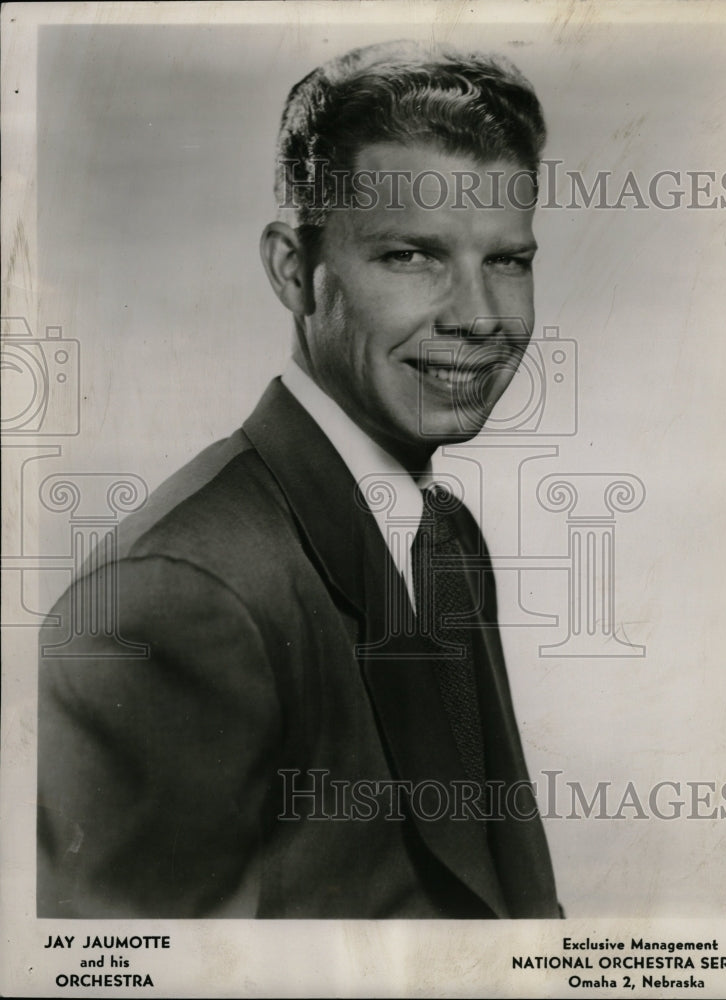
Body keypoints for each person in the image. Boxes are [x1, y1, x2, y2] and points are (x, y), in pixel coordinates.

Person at [37, 40, 560, 918]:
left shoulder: (443, 534)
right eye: (412, 256)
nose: (479, 318)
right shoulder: (172, 596)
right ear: (293, 270)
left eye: (507, 262)